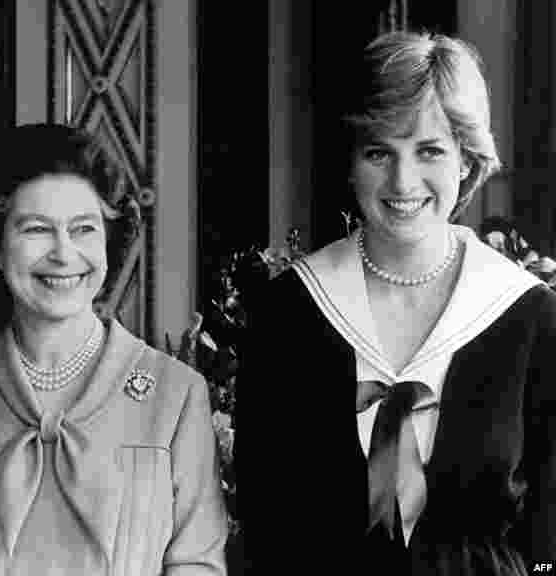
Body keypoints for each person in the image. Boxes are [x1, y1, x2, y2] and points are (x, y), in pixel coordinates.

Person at [237, 31, 556, 574]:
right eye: (379, 151)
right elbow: (266, 528)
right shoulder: (286, 314)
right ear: (351, 163)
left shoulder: (530, 316)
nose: (403, 179)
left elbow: (551, 535)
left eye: (429, 150)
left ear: (465, 159)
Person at [0, 123, 227, 574]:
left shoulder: (177, 394)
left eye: (83, 229)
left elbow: (197, 566)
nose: (64, 253)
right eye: (37, 229)